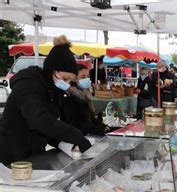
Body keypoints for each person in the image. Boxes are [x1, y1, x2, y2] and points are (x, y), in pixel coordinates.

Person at [0, 35, 91, 165]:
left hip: (34, 151)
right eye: (65, 79)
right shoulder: (28, 84)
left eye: (71, 80)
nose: (67, 84)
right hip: (12, 152)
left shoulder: (53, 89)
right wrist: (75, 135)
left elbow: (52, 125)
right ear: (52, 71)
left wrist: (63, 143)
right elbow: (40, 120)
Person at [61, 64, 108, 136]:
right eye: (83, 77)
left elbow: (91, 118)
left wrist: (103, 126)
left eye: (88, 76)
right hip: (79, 137)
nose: (87, 79)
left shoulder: (85, 95)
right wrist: (100, 128)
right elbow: (78, 124)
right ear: (74, 78)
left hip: (87, 133)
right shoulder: (70, 97)